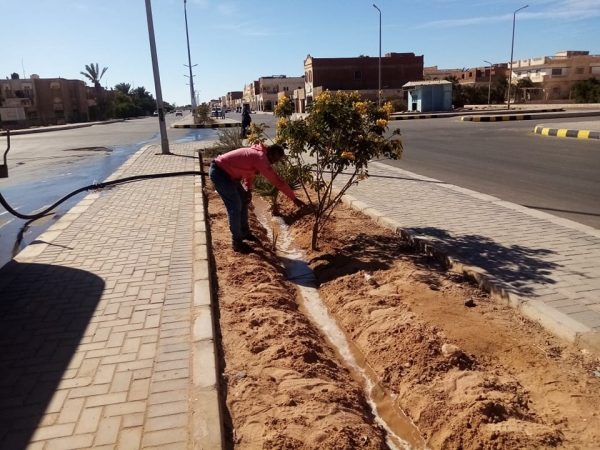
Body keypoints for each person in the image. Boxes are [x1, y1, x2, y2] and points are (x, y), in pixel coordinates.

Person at [209, 143, 306, 253]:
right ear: (269, 152)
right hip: (221, 174)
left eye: (277, 160)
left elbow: (249, 173)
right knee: (235, 206)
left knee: (243, 201)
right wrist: (294, 199)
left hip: (230, 175)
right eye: (274, 158)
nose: (274, 162)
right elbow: (277, 181)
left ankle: (245, 233)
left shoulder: (259, 156)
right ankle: (237, 242)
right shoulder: (260, 158)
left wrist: (248, 190)